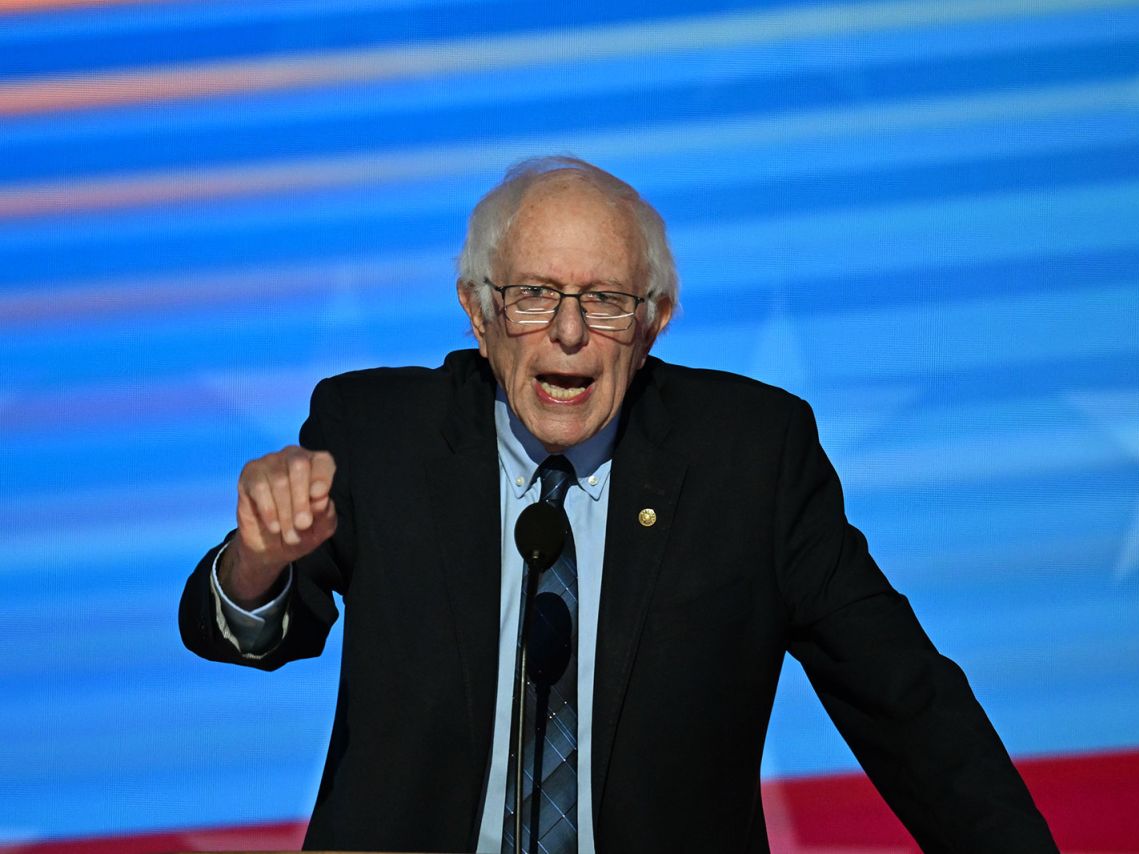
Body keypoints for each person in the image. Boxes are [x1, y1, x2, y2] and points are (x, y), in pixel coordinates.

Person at [179, 156, 1057, 853]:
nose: (568, 332)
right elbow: (252, 628)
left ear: (656, 319)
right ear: (478, 315)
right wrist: (258, 560)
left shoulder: (750, 459)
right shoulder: (378, 433)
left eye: (604, 300)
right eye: (533, 297)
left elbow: (906, 703)